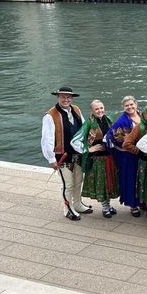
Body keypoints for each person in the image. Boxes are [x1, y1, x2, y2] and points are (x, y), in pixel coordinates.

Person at [41, 86, 90, 221]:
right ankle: (67, 209)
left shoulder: (76, 109)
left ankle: (77, 204)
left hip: (78, 154)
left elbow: (84, 128)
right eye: (63, 96)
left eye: (68, 97)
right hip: (62, 156)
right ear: (58, 97)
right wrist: (51, 159)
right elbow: (47, 139)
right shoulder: (50, 115)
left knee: (78, 181)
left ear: (72, 98)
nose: (66, 99)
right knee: (68, 184)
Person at [71, 99, 119, 218]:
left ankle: (108, 205)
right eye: (97, 109)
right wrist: (89, 149)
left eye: (101, 108)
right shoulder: (88, 123)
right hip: (97, 160)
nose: (100, 110)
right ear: (92, 111)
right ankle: (105, 207)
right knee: (101, 183)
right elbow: (75, 140)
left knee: (109, 182)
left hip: (109, 157)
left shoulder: (109, 120)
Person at [105, 96, 142, 217]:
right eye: (127, 106)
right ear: (123, 107)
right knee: (131, 178)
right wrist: (122, 148)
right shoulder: (121, 121)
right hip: (128, 155)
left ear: (136, 104)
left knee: (142, 177)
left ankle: (142, 201)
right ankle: (133, 205)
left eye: (132, 104)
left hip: (142, 154)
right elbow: (110, 137)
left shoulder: (143, 116)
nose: (130, 107)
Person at [122, 105, 147, 218]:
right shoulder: (139, 127)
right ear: (144, 115)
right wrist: (139, 151)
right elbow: (126, 144)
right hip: (145, 162)